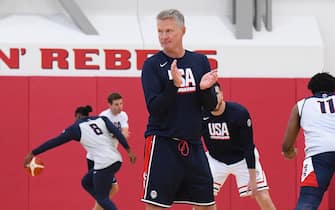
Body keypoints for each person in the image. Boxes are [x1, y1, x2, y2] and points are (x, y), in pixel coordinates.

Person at [141, 9, 218, 210]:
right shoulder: (152, 65)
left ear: (183, 31)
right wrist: (174, 85)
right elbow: (155, 108)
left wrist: (205, 89)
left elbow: (210, 106)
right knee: (155, 206)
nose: (163, 37)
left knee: (207, 206)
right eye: (160, 31)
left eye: (169, 31)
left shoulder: (200, 61)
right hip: (163, 144)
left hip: (193, 144)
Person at [23, 105, 136, 210]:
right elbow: (117, 132)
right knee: (86, 181)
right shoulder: (102, 119)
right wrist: (129, 151)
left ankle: (104, 202)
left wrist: (33, 153)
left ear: (77, 116)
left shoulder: (76, 127)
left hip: (104, 162)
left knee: (102, 197)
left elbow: (54, 141)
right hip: (116, 159)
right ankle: (103, 204)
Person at [201, 83, 276, 210]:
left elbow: (248, 146)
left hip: (242, 159)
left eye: (216, 94)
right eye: (210, 96)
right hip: (215, 159)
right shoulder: (201, 114)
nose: (214, 98)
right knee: (201, 200)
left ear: (222, 94)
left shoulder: (239, 113)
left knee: (262, 195)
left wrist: (252, 179)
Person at [282, 72, 335, 210]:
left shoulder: (302, 105)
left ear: (312, 90)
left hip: (317, 156)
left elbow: (287, 145)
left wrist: (290, 153)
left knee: (308, 201)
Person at [87, 92, 129, 210]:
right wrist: (117, 135)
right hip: (97, 158)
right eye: (116, 104)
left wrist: (119, 134)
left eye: (121, 103)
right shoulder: (103, 117)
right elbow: (102, 138)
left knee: (110, 190)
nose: (120, 106)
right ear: (109, 105)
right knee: (109, 190)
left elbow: (125, 133)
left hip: (107, 158)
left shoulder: (123, 115)